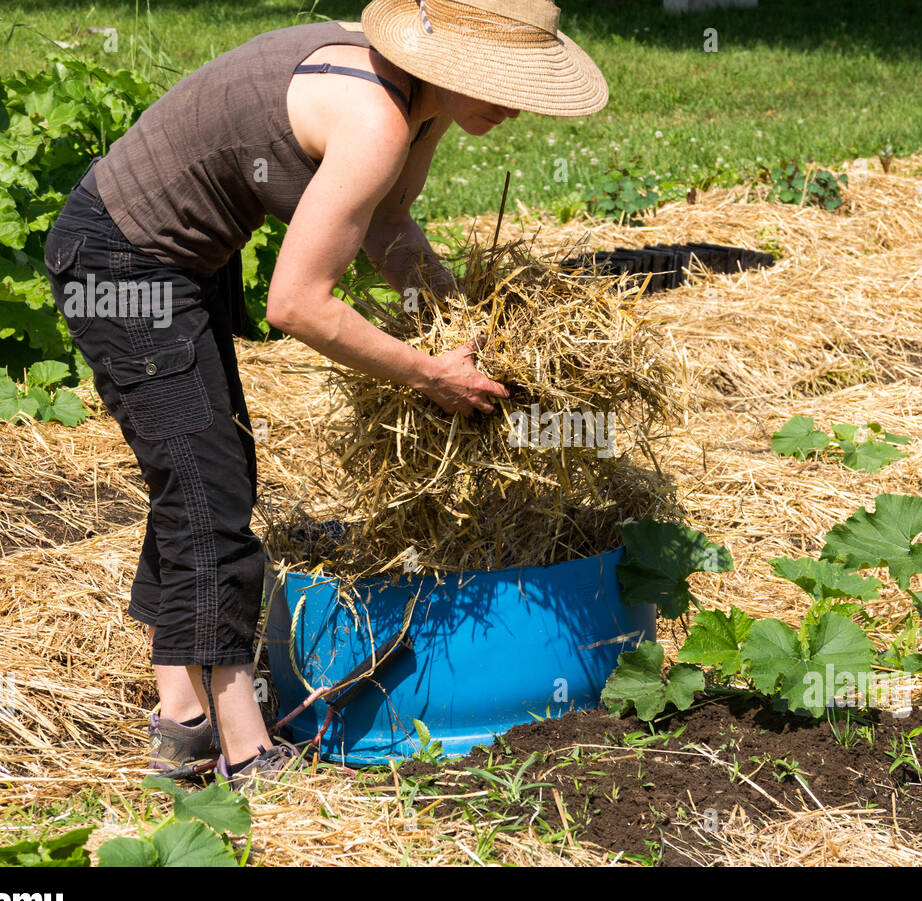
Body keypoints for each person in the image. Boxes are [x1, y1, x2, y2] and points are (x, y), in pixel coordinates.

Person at [42, 0, 608, 791]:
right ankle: (246, 750)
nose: (512, 106)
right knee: (212, 498)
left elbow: (387, 225)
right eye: (499, 83)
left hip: (177, 263)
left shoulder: (419, 104)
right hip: (121, 268)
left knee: (201, 476)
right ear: (449, 65)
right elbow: (297, 304)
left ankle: (181, 717)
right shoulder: (376, 121)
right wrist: (427, 372)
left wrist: (457, 316)